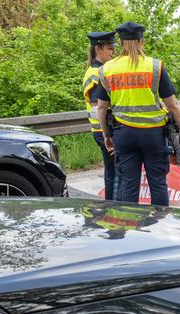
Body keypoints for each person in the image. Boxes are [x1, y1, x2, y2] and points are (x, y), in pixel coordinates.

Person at [96, 21, 180, 206]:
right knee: (158, 183)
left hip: (123, 134)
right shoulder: (155, 67)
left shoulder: (107, 69)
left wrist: (106, 135)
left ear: (121, 43)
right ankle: (158, 227)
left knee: (129, 184)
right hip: (152, 134)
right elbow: (173, 104)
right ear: (141, 41)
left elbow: (101, 108)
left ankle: (130, 228)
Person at [83, 31, 117, 200]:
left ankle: (112, 211)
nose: (113, 53)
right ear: (98, 49)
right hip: (104, 131)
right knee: (115, 174)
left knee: (112, 172)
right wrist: (108, 134)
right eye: (110, 48)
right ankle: (115, 211)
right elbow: (99, 109)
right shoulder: (96, 74)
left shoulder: (98, 70)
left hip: (103, 130)